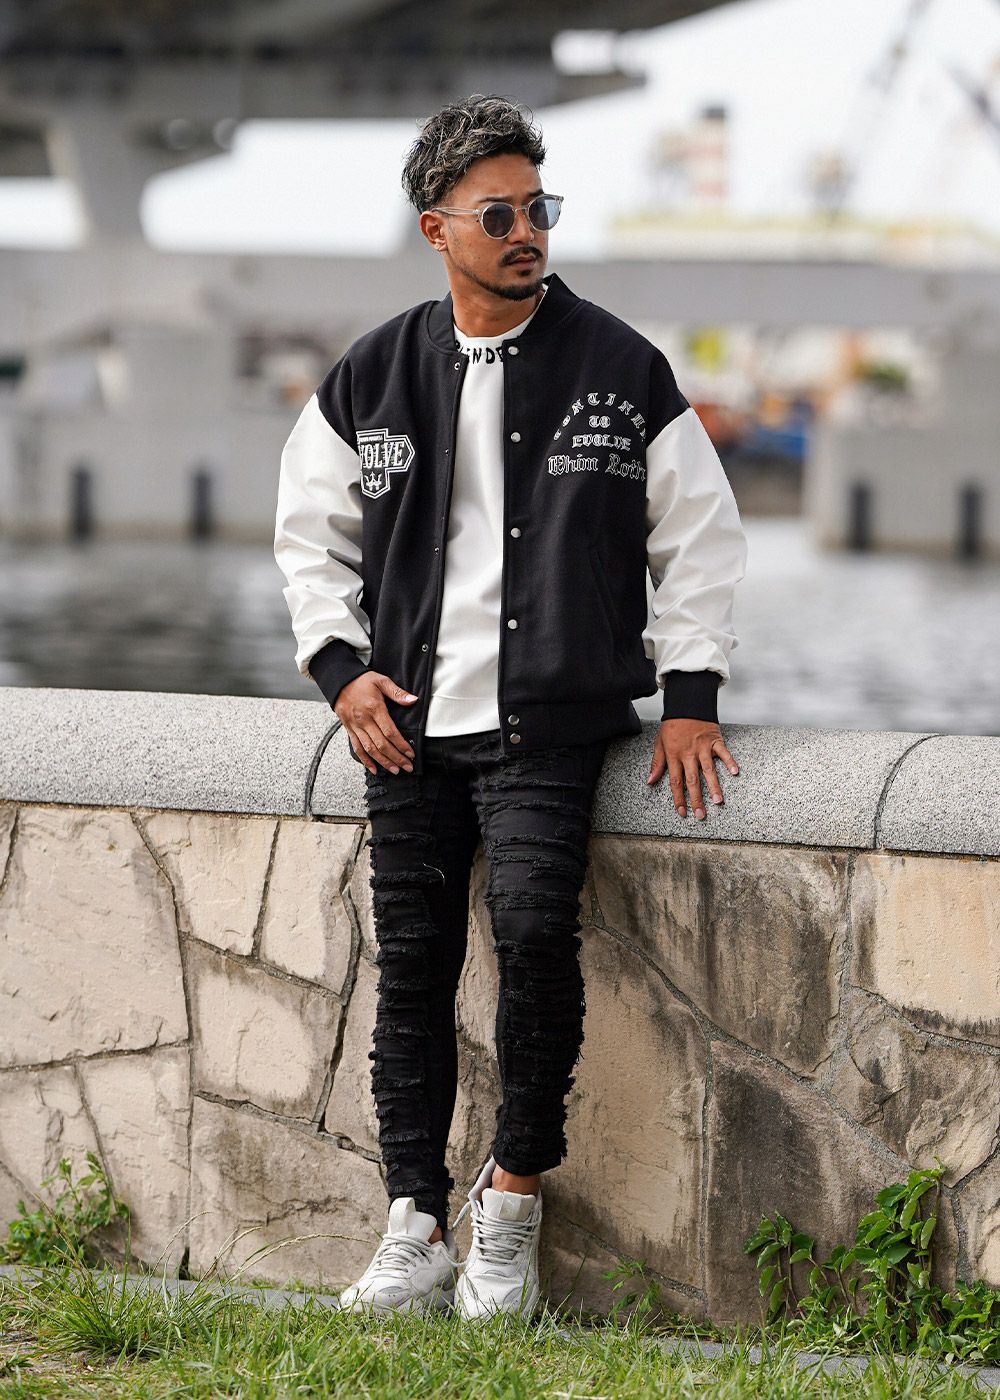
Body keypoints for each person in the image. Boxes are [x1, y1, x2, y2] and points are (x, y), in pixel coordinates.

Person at [273, 93, 748, 1321]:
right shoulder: (372, 373)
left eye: (540, 207)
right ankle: (414, 1224)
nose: (527, 230)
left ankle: (513, 1203)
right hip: (405, 725)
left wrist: (690, 696)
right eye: (499, 213)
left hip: (551, 718)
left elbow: (699, 538)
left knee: (536, 940)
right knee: (413, 968)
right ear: (436, 228)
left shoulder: (620, 367)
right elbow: (308, 539)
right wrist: (341, 671)